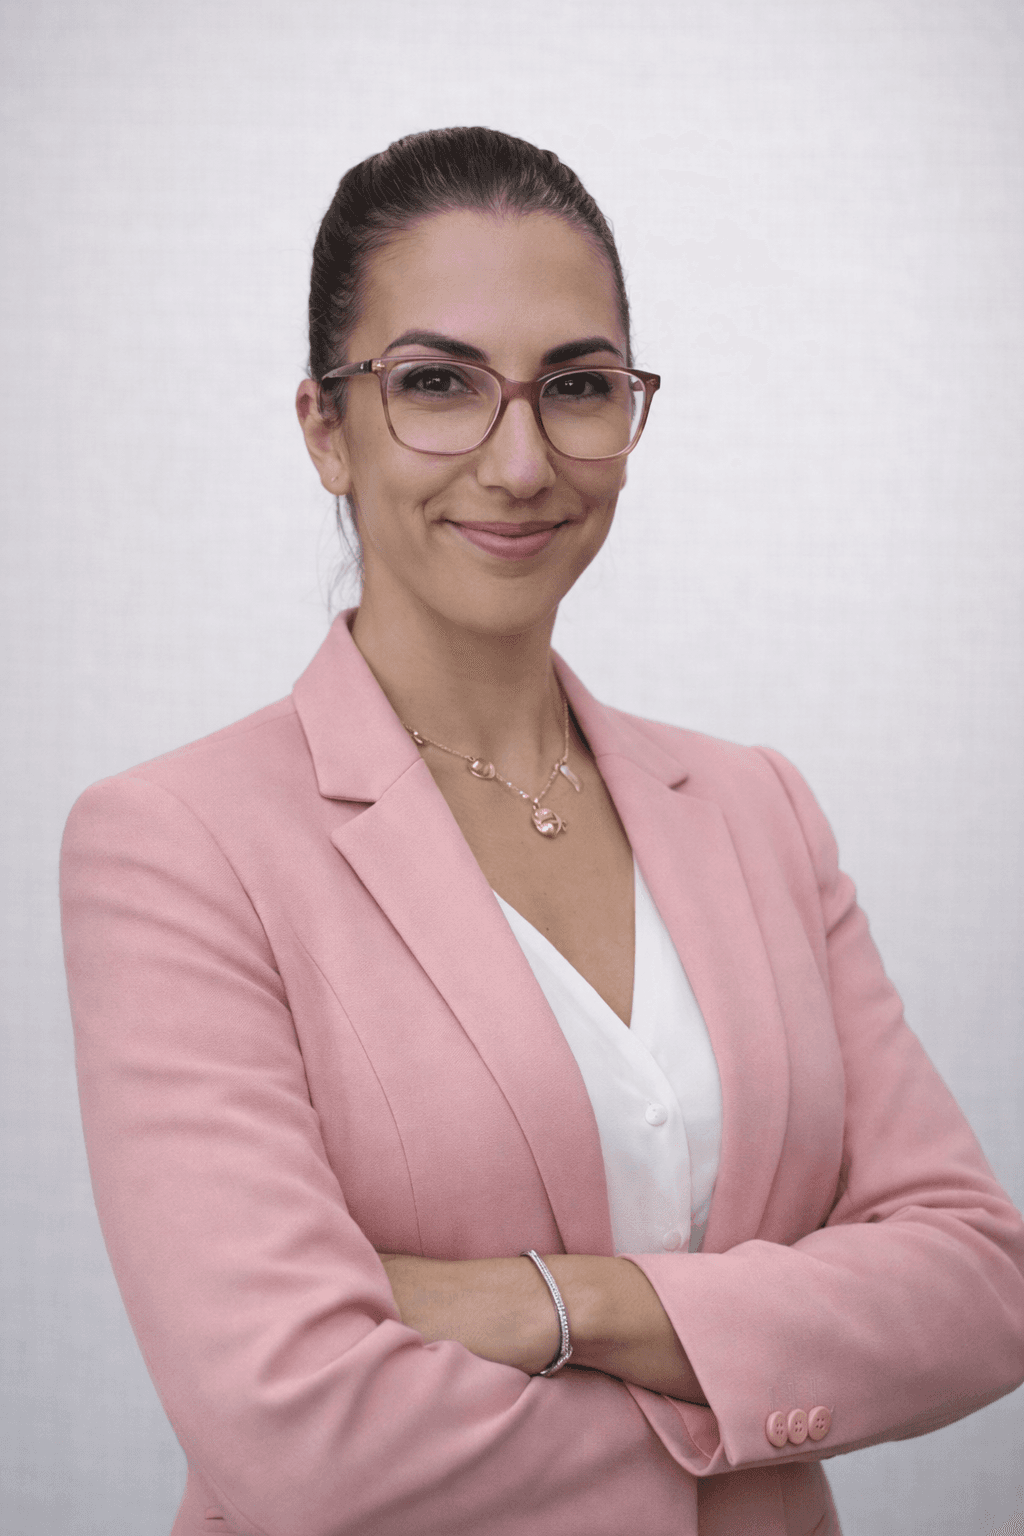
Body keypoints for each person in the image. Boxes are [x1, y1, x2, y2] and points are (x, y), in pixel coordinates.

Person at [60, 126, 1024, 1536]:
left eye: (576, 387)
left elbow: (979, 1285)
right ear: (326, 427)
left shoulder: (757, 807)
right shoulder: (174, 846)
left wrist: (553, 1304)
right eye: (437, 385)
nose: (520, 463)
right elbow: (298, 1436)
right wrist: (765, 1377)